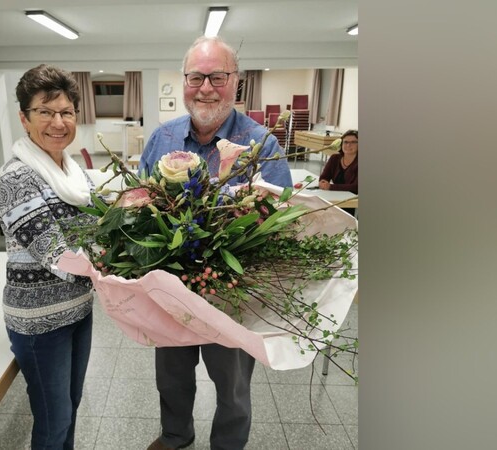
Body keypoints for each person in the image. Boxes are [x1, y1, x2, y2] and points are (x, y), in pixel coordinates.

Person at [138, 36, 292, 450]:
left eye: (217, 76)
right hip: (171, 291)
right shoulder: (162, 139)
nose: (205, 87)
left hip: (231, 295)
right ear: (185, 81)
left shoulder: (263, 143)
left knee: (233, 385)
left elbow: (278, 225)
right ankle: (176, 436)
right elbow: (139, 211)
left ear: (236, 82)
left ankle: (227, 445)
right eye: (195, 76)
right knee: (170, 376)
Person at [0, 64, 97, 450]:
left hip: (79, 310)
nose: (58, 122)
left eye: (67, 112)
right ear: (24, 118)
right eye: (45, 111)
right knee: (53, 422)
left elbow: (98, 230)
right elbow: (57, 253)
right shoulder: (15, 178)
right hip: (40, 323)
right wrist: (123, 270)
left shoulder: (74, 172)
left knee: (70, 406)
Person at [319, 129, 358, 216]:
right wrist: (323, 182)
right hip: (336, 197)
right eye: (345, 142)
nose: (348, 145)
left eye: (353, 142)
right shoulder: (334, 158)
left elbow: (356, 187)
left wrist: (331, 187)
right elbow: (325, 176)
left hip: (352, 201)